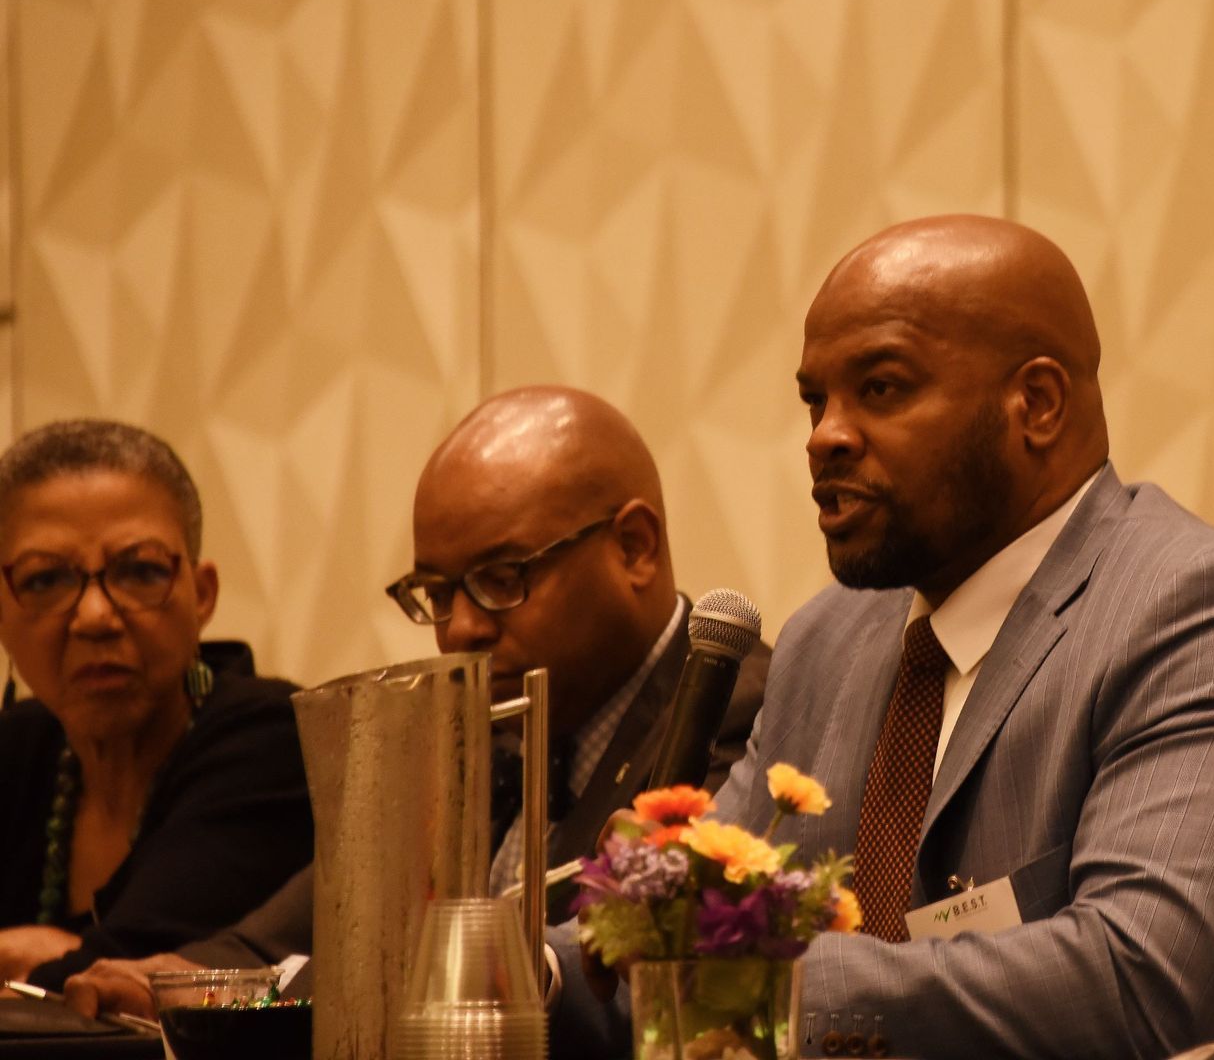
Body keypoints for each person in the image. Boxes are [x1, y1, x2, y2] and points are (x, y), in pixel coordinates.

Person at [700, 215, 1214, 1057]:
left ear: (1035, 404)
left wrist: (757, 985)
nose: (825, 435)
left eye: (880, 389)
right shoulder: (826, 640)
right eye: (816, 400)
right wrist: (539, 972)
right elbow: (690, 922)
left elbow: (1138, 984)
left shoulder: (1209, 618)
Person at [61, 386, 770, 1019]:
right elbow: (310, 924)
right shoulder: (475, 721)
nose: (461, 628)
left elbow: (597, 968)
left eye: (501, 577)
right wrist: (187, 978)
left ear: (635, 547)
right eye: (436, 591)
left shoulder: (740, 713)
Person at [0, 420, 312, 988]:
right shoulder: (18, 747)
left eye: (140, 571)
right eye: (45, 579)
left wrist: (41, 958)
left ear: (203, 595)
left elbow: (126, 975)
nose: (95, 617)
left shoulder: (272, 738)